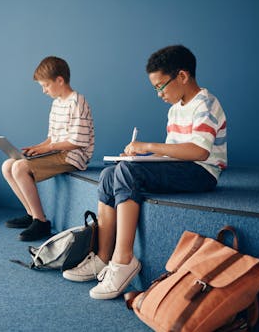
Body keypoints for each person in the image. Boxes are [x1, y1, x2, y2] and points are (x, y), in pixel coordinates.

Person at [62, 45, 227, 300]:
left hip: (202, 172)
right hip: (184, 166)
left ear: (182, 76)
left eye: (161, 86)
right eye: (155, 88)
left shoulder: (205, 103)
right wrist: (144, 157)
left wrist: (147, 146)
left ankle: (123, 258)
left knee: (128, 172)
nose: (159, 93)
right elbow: (173, 152)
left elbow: (199, 152)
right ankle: (104, 257)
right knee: (110, 174)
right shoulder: (175, 109)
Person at [2, 56, 95, 241]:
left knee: (19, 168)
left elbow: (78, 141)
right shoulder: (56, 103)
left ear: (59, 80)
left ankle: (41, 221)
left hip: (73, 156)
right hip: (58, 152)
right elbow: (52, 138)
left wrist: (47, 149)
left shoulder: (77, 101)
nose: (44, 91)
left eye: (45, 86)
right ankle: (31, 214)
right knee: (7, 165)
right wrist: (36, 148)